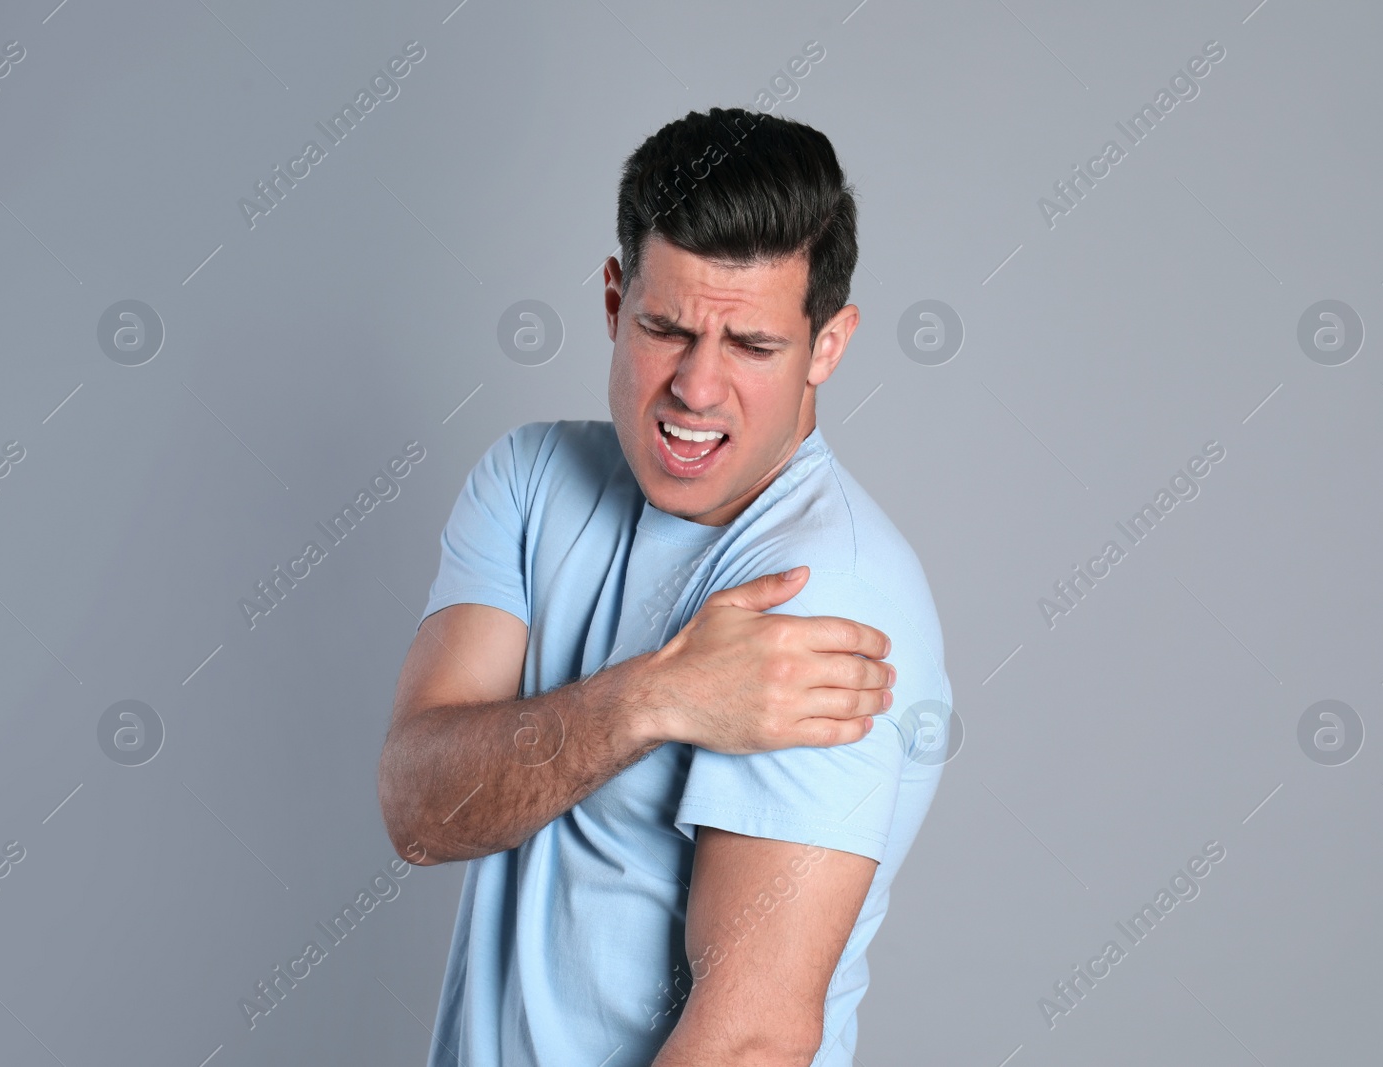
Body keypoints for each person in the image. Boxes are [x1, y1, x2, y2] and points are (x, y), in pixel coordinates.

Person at [378, 105, 953, 1067]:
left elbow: (751, 1040)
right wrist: (658, 696)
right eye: (665, 327)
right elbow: (420, 810)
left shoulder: (823, 597)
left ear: (828, 345)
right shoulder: (528, 481)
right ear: (613, 301)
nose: (696, 387)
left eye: (753, 347)